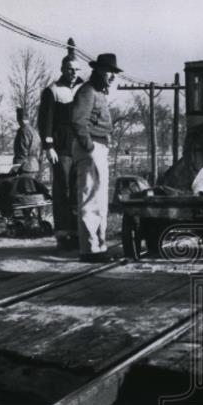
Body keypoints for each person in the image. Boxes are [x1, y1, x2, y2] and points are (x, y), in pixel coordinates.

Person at [71, 53, 121, 262]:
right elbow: (78, 121)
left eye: (113, 73)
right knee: (90, 198)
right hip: (90, 148)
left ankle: (98, 247)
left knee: (99, 200)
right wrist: (90, 147)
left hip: (99, 146)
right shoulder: (87, 91)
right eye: (109, 72)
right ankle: (90, 249)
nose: (112, 76)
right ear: (98, 70)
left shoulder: (99, 92)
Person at [39, 54, 85, 249]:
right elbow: (45, 120)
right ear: (62, 69)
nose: (73, 73)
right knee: (63, 187)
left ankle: (78, 232)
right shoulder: (53, 90)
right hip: (62, 147)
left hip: (82, 145)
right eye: (69, 69)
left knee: (80, 188)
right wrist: (49, 146)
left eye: (76, 69)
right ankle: (63, 233)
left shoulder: (85, 89)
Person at [12, 107, 40, 176]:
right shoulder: (34, 131)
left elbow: (21, 152)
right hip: (34, 166)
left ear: (19, 119)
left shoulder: (22, 131)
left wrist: (15, 168)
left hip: (24, 167)